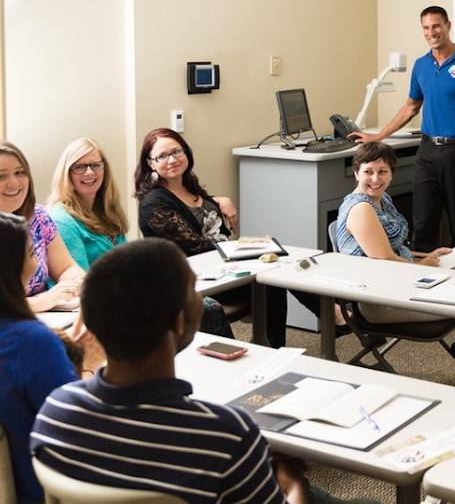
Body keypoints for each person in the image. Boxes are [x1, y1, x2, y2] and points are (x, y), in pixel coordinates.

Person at [31, 239, 375, 504]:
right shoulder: (228, 434)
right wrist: (292, 481)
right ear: (180, 321)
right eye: (193, 289)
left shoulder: (56, 411)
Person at [133, 128, 329, 345]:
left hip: (224, 268)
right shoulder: (154, 203)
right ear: (150, 163)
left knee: (278, 271)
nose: (172, 159)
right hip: (196, 279)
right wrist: (246, 248)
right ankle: (330, 319)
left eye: (176, 151)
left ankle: (281, 343)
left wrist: (218, 200)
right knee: (273, 271)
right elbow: (195, 246)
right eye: (162, 156)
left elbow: (203, 217)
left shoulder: (188, 186)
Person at [335, 142, 455, 390]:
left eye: (383, 171)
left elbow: (395, 249)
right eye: (368, 172)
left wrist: (427, 256)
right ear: (356, 173)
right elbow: (383, 259)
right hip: (381, 300)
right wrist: (424, 264)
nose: (376, 178)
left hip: (405, 280)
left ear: (391, 173)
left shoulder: (381, 199)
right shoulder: (361, 208)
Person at [352, 6, 455, 256]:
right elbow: (410, 108)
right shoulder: (421, 66)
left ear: (448, 26)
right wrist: (377, 137)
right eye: (426, 28)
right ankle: (420, 282)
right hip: (427, 150)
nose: (432, 32)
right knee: (422, 223)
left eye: (436, 26)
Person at [0, 212, 80, 504]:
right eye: (32, 252)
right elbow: (76, 424)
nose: (36, 264)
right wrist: (93, 363)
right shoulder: (30, 342)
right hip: (44, 487)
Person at [0, 141, 83, 312]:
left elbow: (66, 268)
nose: (14, 183)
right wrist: (44, 300)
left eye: (20, 172)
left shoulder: (38, 216)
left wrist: (73, 283)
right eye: (1, 176)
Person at [47, 137, 127, 270]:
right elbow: (79, 284)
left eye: (95, 165)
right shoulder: (62, 220)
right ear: (67, 174)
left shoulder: (108, 211)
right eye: (79, 167)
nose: (89, 172)